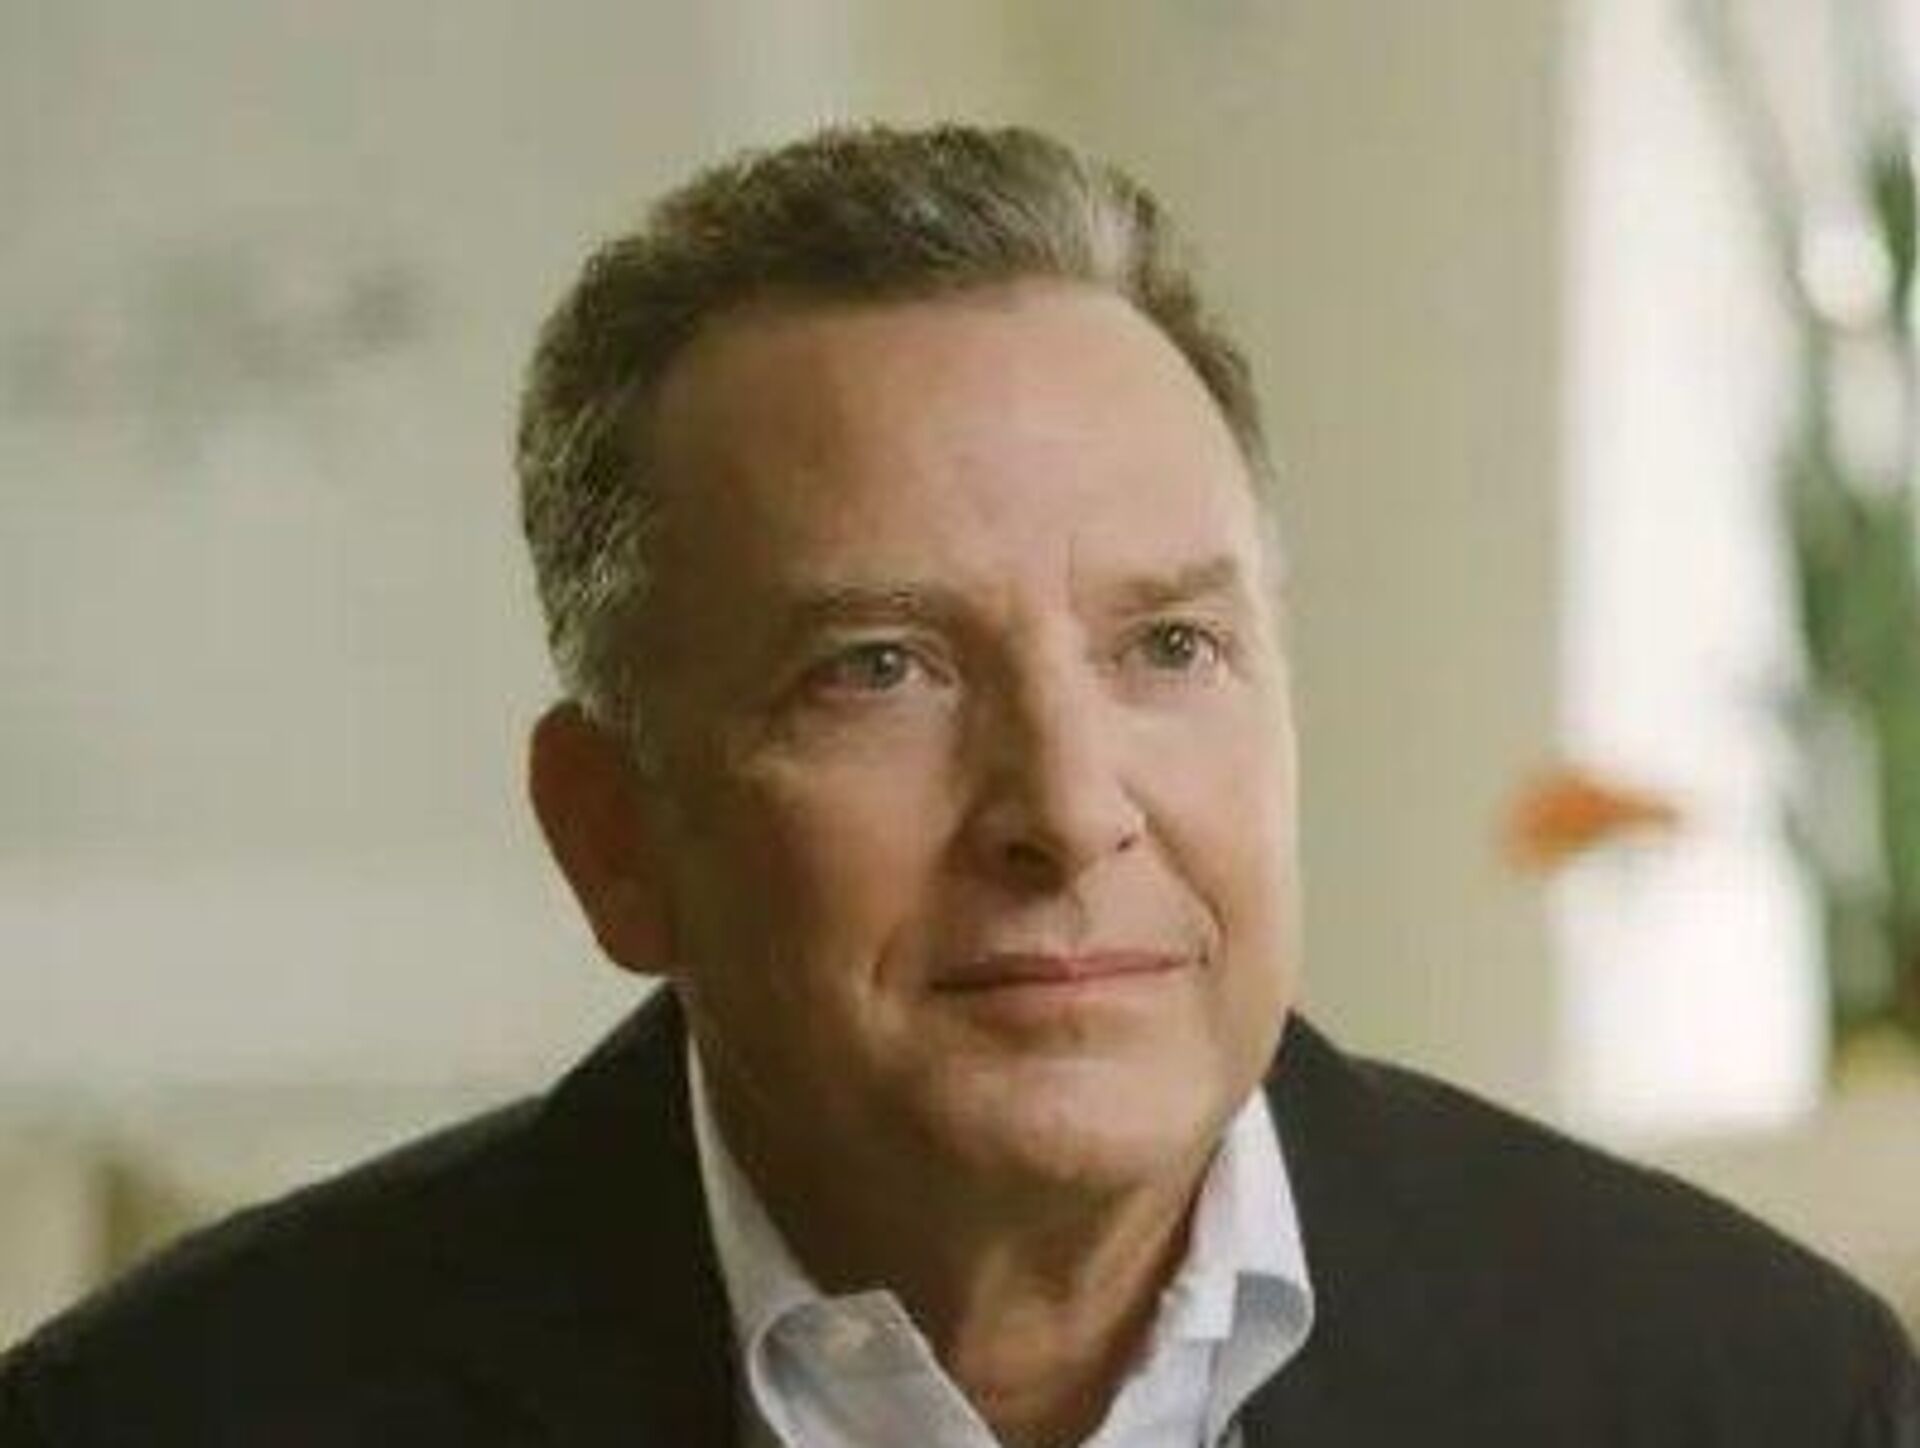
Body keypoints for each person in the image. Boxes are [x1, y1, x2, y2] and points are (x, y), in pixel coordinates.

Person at [1, 122, 1914, 1448]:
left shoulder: (1757, 1397)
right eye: (881, 669)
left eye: (1169, 647)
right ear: (613, 838)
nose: (1068, 810)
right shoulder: (160, 1423)